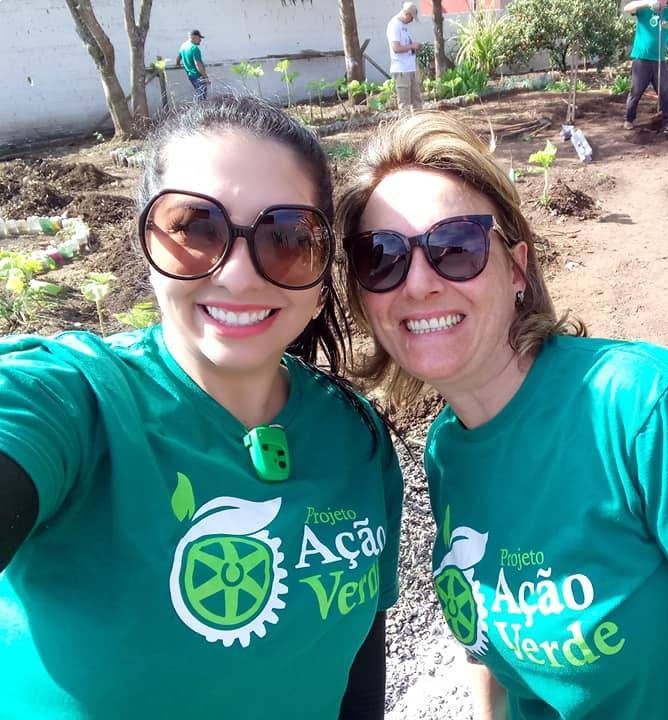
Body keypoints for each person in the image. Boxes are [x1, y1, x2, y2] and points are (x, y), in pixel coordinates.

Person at [335, 112, 668, 720]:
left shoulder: (655, 411)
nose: (418, 283)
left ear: (517, 268)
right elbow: (484, 640)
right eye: (381, 257)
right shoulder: (449, 447)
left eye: (456, 247)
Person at [0, 96, 402, 719]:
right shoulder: (74, 401)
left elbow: (359, 673)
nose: (239, 275)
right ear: (146, 243)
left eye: (286, 238)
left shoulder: (356, 436)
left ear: (323, 270)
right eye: (195, 228)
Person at [623, 0, 668, 135]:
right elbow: (627, 8)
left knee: (665, 89)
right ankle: (629, 119)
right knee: (636, 91)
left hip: (659, 60)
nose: (662, 1)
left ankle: (666, 122)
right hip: (641, 58)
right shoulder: (644, 9)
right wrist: (648, 3)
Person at [386, 2, 422, 112]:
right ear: (407, 14)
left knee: (417, 100)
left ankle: (420, 121)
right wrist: (412, 46)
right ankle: (405, 122)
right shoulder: (394, 25)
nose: (412, 21)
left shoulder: (403, 26)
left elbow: (405, 46)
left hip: (409, 68)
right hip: (401, 69)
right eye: (412, 18)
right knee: (404, 104)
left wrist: (413, 47)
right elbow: (396, 48)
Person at [176, 29, 210, 100]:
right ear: (194, 37)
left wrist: (178, 64)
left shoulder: (183, 46)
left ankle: (198, 106)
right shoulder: (194, 48)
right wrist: (205, 77)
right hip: (198, 76)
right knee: (202, 96)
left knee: (199, 94)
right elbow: (198, 64)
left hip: (191, 76)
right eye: (199, 38)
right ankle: (201, 107)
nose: (200, 40)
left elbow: (178, 58)